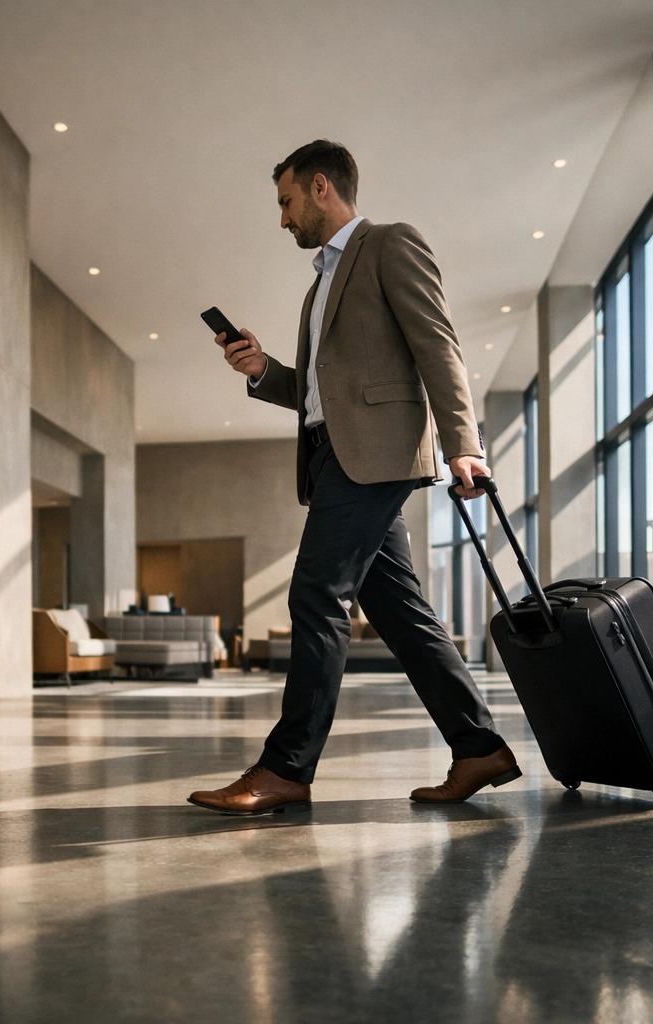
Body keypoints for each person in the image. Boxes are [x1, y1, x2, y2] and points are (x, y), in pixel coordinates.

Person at [187, 140, 520, 815]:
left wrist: (464, 444)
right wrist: (262, 371)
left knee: (316, 595)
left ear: (320, 187)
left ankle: (286, 767)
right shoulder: (320, 286)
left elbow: (438, 344)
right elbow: (322, 394)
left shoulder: (390, 244)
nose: (283, 219)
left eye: (286, 202)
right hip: (334, 454)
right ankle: (479, 748)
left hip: (373, 456)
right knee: (400, 613)